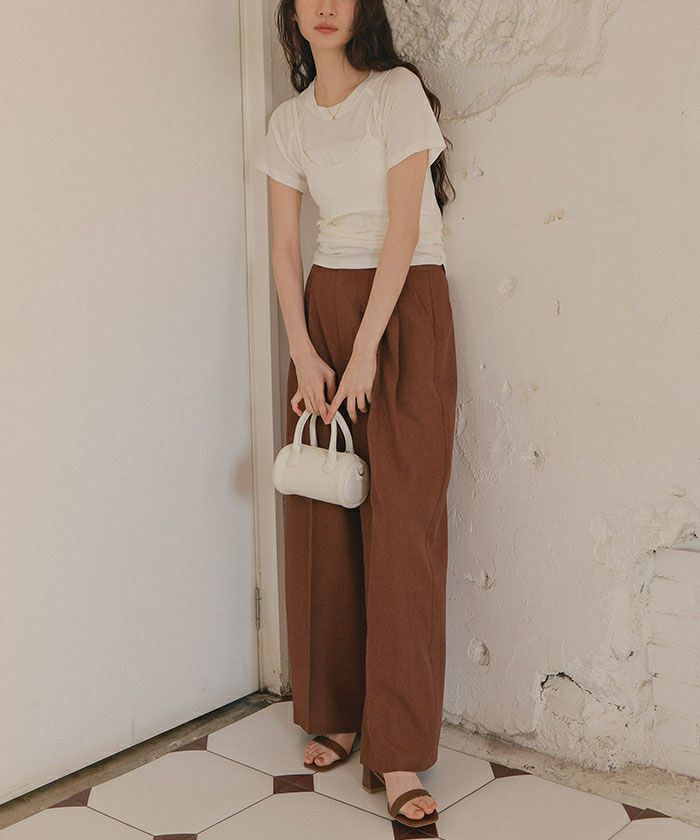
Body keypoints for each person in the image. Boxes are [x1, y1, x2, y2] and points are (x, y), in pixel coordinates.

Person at [254, 0, 458, 829]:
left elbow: (405, 226)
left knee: (404, 528)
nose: (326, 6)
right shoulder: (288, 122)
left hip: (404, 305)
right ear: (294, 14)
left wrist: (368, 346)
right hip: (325, 307)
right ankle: (335, 711)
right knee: (323, 512)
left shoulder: (395, 93)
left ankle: (397, 747)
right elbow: (282, 245)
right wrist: (305, 352)